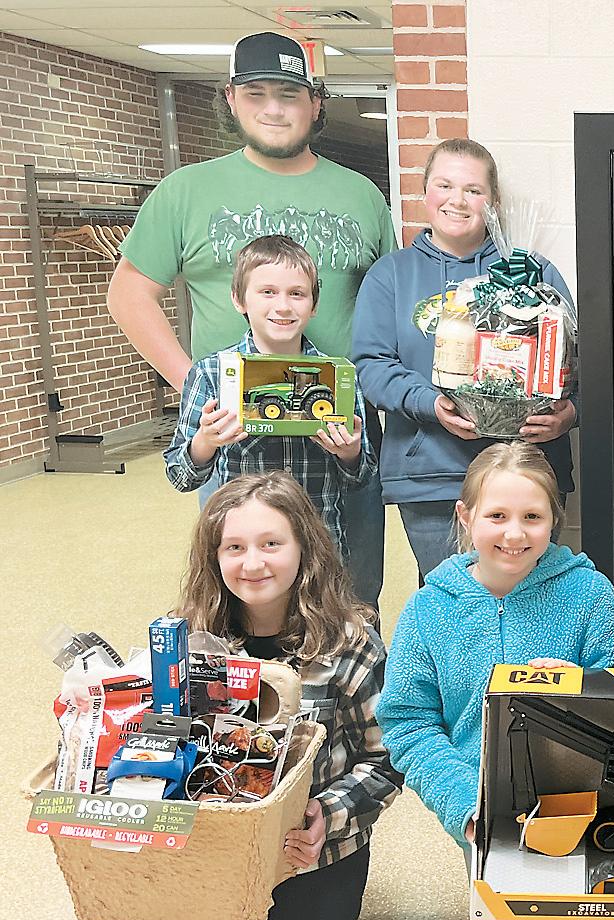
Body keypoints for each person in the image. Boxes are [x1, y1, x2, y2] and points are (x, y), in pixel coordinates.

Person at [107, 31, 396, 609]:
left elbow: (388, 304)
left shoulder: (362, 195)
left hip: (336, 434)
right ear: (231, 99)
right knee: (245, 593)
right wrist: (196, 385)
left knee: (352, 594)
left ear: (316, 103)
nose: (273, 109)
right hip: (237, 444)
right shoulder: (185, 191)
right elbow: (130, 294)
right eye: (256, 93)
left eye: (289, 94)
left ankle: (349, 672)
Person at [120, 472, 402, 920]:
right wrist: (101, 703)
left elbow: (387, 759)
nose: (253, 563)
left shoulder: (352, 642)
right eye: (234, 547)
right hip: (216, 850)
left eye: (272, 543)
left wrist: (328, 813)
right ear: (213, 556)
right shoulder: (186, 639)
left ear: (303, 547)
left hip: (312, 857)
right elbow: (149, 734)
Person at [375, 443, 614, 920]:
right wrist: (469, 804)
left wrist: (579, 695)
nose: (514, 534)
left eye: (532, 517)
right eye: (496, 516)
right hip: (481, 813)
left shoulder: (592, 596)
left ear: (554, 519)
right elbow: (408, 724)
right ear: (465, 516)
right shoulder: (428, 610)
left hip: (569, 804)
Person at [352, 138, 578, 585]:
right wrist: (431, 404)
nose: (457, 200)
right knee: (450, 599)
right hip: (431, 476)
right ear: (424, 192)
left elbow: (580, 364)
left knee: (534, 597)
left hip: (528, 473)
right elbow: (372, 366)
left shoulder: (533, 272)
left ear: (493, 203)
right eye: (444, 185)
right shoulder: (391, 275)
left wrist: (570, 414)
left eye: (473, 190)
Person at [163, 235, 374, 564]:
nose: (284, 306)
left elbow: (362, 476)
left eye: (297, 294)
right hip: (247, 552)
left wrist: (349, 452)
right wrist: (205, 442)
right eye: (268, 292)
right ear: (239, 299)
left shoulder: (338, 376)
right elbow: (180, 476)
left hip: (319, 546)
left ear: (314, 306)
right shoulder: (211, 373)